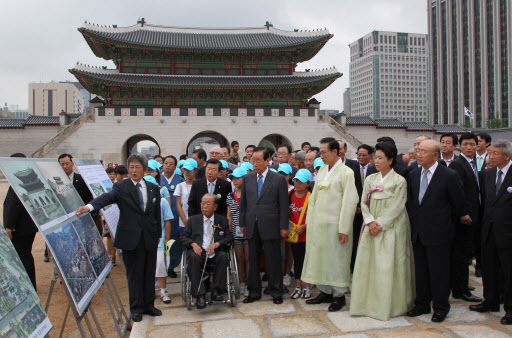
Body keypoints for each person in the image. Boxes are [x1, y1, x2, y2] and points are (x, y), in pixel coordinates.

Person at [76, 154, 162, 322]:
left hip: (149, 237)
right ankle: (136, 308)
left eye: (138, 167)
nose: (134, 170)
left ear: (145, 170)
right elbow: (106, 198)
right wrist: (89, 206)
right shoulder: (122, 187)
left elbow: (156, 214)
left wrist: (157, 234)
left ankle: (149, 305)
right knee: (134, 274)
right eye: (131, 167)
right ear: (128, 170)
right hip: (131, 238)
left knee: (149, 272)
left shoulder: (153, 188)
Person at [350, 142, 415, 321]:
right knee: (369, 264)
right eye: (375, 158)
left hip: (391, 227)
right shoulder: (370, 179)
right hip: (371, 225)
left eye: (380, 158)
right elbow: (363, 202)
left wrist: (380, 224)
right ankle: (366, 302)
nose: (376, 161)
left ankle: (392, 304)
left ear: (391, 160)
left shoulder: (399, 181)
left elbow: (398, 205)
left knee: (389, 264)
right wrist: (370, 221)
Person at [406, 139, 465, 323]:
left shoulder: (448, 175)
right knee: (421, 271)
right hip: (418, 232)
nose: (419, 154)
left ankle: (440, 307)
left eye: (423, 151)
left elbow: (458, 204)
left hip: (439, 233)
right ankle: (421, 304)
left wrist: (444, 224)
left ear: (435, 155)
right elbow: (412, 203)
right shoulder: (414, 174)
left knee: (439, 272)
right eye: (418, 150)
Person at [302, 137, 358, 312]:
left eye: (324, 152)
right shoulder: (322, 170)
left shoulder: (347, 172)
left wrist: (344, 228)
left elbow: (350, 201)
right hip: (318, 225)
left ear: (335, 152)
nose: (322, 156)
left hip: (335, 226)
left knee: (337, 260)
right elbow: (314, 199)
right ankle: (325, 291)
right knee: (320, 259)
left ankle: (339, 296)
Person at [469, 139, 512, 325]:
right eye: (490, 153)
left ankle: (509, 308)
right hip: (488, 230)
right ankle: (490, 300)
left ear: (507, 155)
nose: (491, 157)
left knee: (509, 272)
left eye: (495, 153)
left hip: (508, 232)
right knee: (489, 268)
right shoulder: (487, 174)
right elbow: (485, 202)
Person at [240, 147, 289, 305]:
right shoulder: (247, 178)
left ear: (268, 160)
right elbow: (244, 203)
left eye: (258, 160)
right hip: (251, 225)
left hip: (271, 225)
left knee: (273, 260)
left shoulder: (278, 179)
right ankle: (254, 292)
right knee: (252, 260)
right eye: (252, 160)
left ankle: (276, 291)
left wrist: (283, 226)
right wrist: (242, 222)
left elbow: (283, 205)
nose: (255, 163)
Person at [180, 194, 233, 309]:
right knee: (193, 258)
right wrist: (193, 244)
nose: (204, 206)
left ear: (215, 207)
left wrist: (217, 244)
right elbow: (184, 237)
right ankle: (200, 295)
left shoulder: (222, 220)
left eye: (208, 204)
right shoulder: (193, 220)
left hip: (215, 252)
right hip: (199, 252)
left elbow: (229, 237)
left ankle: (216, 292)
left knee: (223, 256)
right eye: (202, 203)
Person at [448, 133, 482, 302]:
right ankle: (460, 290)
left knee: (466, 253)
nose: (469, 147)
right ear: (460, 146)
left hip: (473, 215)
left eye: (473, 144)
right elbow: (458, 192)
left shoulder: (472, 163)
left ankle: (462, 285)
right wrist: (463, 213)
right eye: (466, 144)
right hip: (463, 218)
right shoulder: (458, 164)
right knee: (461, 255)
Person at [3, 153, 39, 290]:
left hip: (20, 228)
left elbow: (14, 205)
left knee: (23, 256)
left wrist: (9, 226)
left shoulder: (18, 180)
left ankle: (29, 285)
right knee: (26, 254)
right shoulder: (26, 178)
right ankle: (30, 284)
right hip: (28, 226)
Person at [144, 175, 173, 304]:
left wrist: (167, 238)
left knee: (160, 264)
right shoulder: (141, 201)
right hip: (144, 239)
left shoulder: (162, 202)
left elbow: (167, 221)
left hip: (159, 239)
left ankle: (163, 290)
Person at [288, 169, 313, 299]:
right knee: (297, 261)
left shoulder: (311, 197)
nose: (297, 184)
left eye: (301, 182)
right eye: (296, 181)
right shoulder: (290, 195)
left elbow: (315, 216)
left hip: (306, 235)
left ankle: (307, 286)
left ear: (308, 183)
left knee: (307, 261)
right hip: (293, 235)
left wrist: (305, 226)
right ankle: (298, 286)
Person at [351, 144, 375, 272]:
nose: (360, 157)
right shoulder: (352, 168)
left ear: (370, 156)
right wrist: (356, 205)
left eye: (364, 155)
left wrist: (363, 206)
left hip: (369, 209)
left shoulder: (373, 169)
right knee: (355, 238)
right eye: (358, 154)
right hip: (354, 210)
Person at [160, 155, 185, 278]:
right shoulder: (158, 180)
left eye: (171, 163)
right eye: (166, 163)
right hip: (160, 218)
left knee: (175, 244)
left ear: (175, 167)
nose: (168, 165)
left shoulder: (180, 181)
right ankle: (160, 267)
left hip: (176, 217)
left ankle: (171, 267)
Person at [226, 167, 250, 296]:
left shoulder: (250, 194)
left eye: (237, 178)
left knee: (248, 257)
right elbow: (229, 215)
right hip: (236, 231)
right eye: (233, 179)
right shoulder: (230, 196)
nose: (235, 181)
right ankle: (241, 281)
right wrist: (229, 230)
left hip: (248, 230)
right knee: (239, 257)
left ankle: (248, 283)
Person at [175, 159, 197, 231]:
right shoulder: (180, 186)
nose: (187, 172)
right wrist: (184, 220)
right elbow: (178, 205)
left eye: (189, 170)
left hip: (196, 221)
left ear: (195, 170)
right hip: (183, 223)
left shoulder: (199, 185)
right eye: (185, 170)